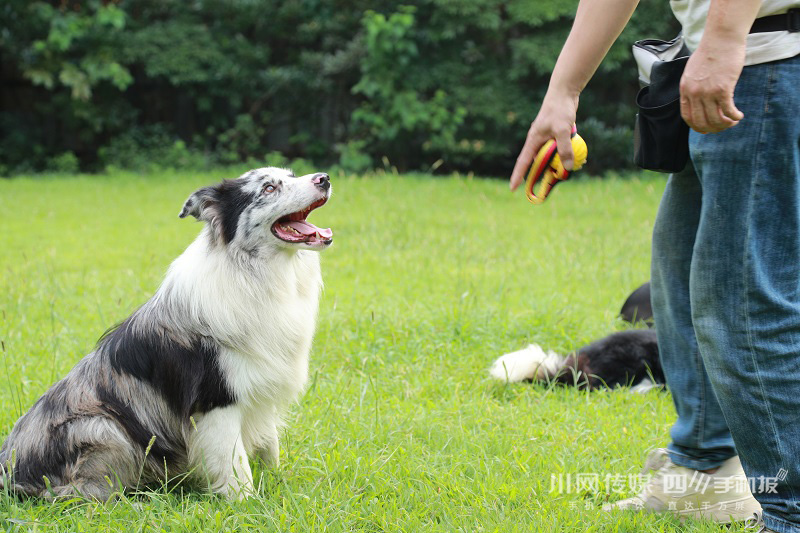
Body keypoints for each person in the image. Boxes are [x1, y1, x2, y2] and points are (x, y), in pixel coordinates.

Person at [509, 0, 800, 531]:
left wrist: (722, 41)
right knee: (682, 289)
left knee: (746, 306)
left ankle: (791, 511)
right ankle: (706, 473)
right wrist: (563, 90)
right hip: (717, 63)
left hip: (763, 61)